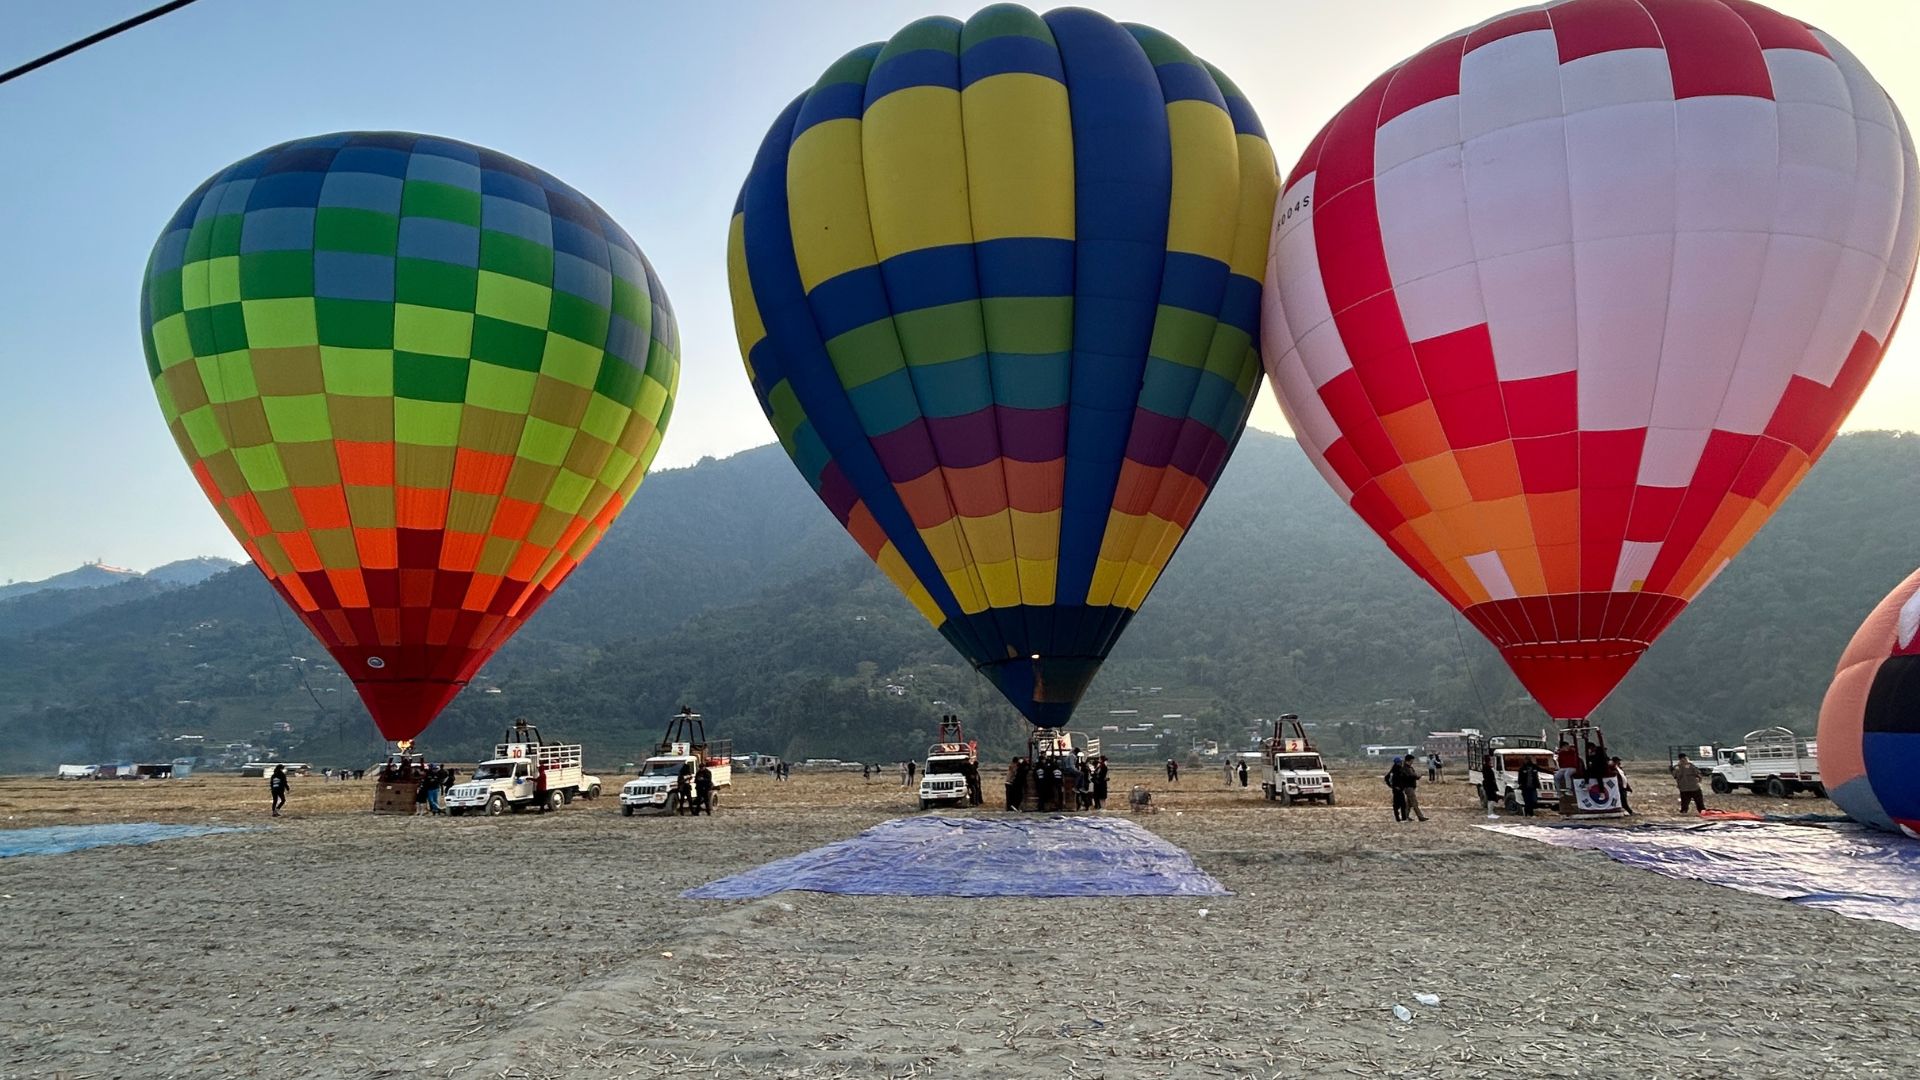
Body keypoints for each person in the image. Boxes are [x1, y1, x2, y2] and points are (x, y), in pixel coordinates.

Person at [1396, 756, 1429, 822]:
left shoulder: (1409, 768)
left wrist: (1418, 776)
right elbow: (1410, 776)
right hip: (1408, 788)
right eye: (1412, 760)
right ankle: (1420, 817)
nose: (1412, 762)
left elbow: (1413, 776)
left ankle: (1405, 817)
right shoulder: (1405, 768)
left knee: (1408, 804)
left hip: (1410, 787)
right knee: (1414, 803)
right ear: (1408, 760)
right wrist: (1417, 775)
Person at [1385, 757, 1408, 822]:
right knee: (1399, 804)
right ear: (1397, 763)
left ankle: (1402, 818)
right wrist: (1393, 786)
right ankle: (1400, 818)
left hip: (1399, 789)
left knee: (1401, 804)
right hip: (1397, 790)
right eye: (1400, 762)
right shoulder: (1395, 770)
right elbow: (1387, 778)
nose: (1401, 763)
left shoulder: (1397, 769)